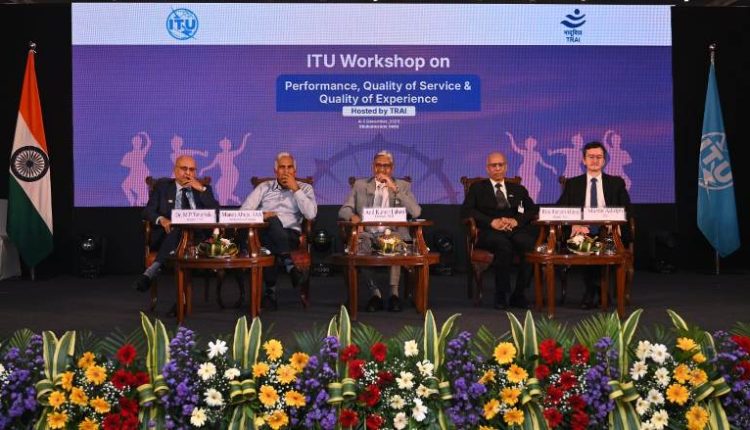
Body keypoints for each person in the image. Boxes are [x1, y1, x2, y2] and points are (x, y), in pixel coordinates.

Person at [338, 150, 421, 313]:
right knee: (361, 245)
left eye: (386, 166)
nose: (382, 169)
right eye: (378, 165)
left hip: (393, 232)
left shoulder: (403, 186)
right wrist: (353, 216)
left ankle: (394, 294)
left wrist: (394, 189)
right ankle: (375, 294)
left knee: (395, 242)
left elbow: (416, 212)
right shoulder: (360, 185)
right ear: (373, 167)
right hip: (368, 232)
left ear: (392, 168)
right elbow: (344, 210)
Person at [557, 141, 631, 309]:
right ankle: (598, 291)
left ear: (604, 161)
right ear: (584, 160)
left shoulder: (616, 183)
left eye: (599, 157)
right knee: (588, 247)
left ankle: (591, 293)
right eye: (591, 157)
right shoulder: (573, 184)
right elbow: (560, 209)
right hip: (582, 231)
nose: (595, 160)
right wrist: (574, 224)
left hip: (609, 232)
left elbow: (628, 209)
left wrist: (616, 222)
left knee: (603, 247)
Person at [240, 152, 317, 310]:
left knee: (269, 246)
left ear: (295, 171)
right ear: (276, 170)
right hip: (264, 232)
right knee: (272, 222)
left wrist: (296, 190)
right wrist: (262, 215)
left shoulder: (305, 188)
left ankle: (270, 293)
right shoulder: (264, 187)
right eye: (282, 167)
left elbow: (311, 214)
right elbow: (243, 212)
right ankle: (290, 265)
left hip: (290, 235)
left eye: (289, 167)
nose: (286, 171)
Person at [461, 152, 538, 309]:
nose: (497, 168)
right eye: (493, 165)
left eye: (500, 165)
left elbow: (532, 210)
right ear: (487, 168)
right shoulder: (477, 188)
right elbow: (466, 211)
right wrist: (491, 222)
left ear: (506, 167)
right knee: (503, 245)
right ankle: (501, 294)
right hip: (488, 231)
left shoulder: (518, 189)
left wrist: (516, 221)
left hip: (512, 229)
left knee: (530, 245)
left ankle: (519, 294)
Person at [133, 155, 219, 292]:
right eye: (184, 168)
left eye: (192, 169)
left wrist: (201, 189)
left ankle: (151, 271)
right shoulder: (163, 188)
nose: (188, 173)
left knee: (181, 227)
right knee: (178, 227)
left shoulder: (203, 189)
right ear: (175, 170)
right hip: (168, 235)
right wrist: (162, 219)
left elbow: (217, 213)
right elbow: (148, 211)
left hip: (198, 238)